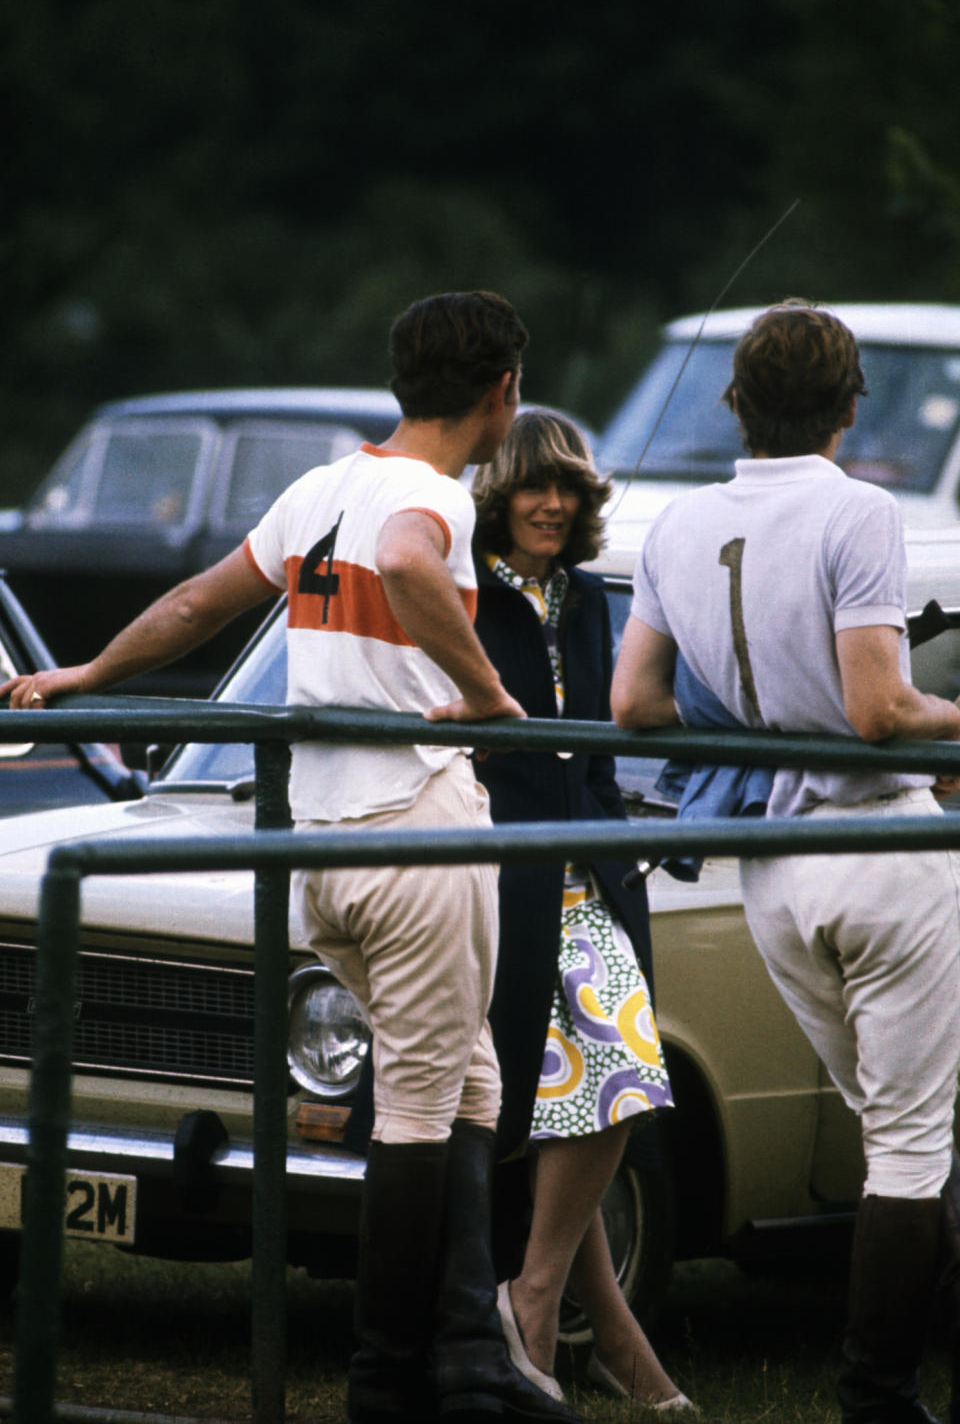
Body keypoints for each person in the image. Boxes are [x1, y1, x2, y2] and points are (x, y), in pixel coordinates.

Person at [2, 291, 583, 1424]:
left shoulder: (322, 489)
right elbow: (414, 566)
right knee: (420, 1098)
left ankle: (470, 1351)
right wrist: (486, 693)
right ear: (503, 394)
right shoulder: (432, 502)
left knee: (469, 1075)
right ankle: (388, 1380)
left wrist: (81, 677)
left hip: (320, 840)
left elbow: (192, 604)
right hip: (414, 824)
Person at [610, 298, 960, 1424]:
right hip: (879, 845)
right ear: (850, 408)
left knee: (897, 1131)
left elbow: (635, 704)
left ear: (734, 405)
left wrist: (753, 711)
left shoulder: (673, 528)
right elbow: (876, 709)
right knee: (909, 1150)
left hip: (775, 872)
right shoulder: (858, 512)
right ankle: (877, 1398)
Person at [470, 410, 692, 1411]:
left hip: (587, 872)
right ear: (499, 494)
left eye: (569, 488)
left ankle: (538, 1302)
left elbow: (600, 751)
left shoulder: (594, 597)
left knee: (618, 1074)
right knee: (590, 1087)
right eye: (533, 486)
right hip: (499, 875)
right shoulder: (466, 591)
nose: (553, 504)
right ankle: (598, 1335)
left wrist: (613, 854)